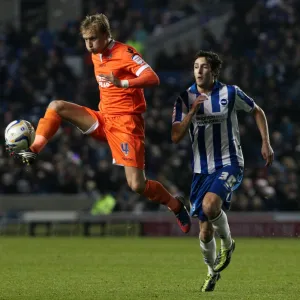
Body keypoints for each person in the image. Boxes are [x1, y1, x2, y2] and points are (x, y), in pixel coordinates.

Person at [7, 13, 191, 233]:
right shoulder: (96, 55)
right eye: (85, 39)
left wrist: (123, 82)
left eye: (93, 38)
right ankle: (34, 149)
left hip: (126, 125)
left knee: (136, 185)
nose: (89, 44)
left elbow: (152, 77)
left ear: (106, 35)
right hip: (103, 119)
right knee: (56, 106)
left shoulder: (125, 53)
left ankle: (176, 205)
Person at [171, 50, 274, 292]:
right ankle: (212, 272)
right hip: (201, 171)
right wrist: (192, 112)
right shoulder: (185, 98)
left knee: (210, 206)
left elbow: (257, 111)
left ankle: (228, 243)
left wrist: (265, 142)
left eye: (204, 66)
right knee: (204, 231)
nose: (198, 70)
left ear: (214, 71)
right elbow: (175, 136)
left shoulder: (231, 92)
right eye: (195, 66)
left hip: (230, 162)